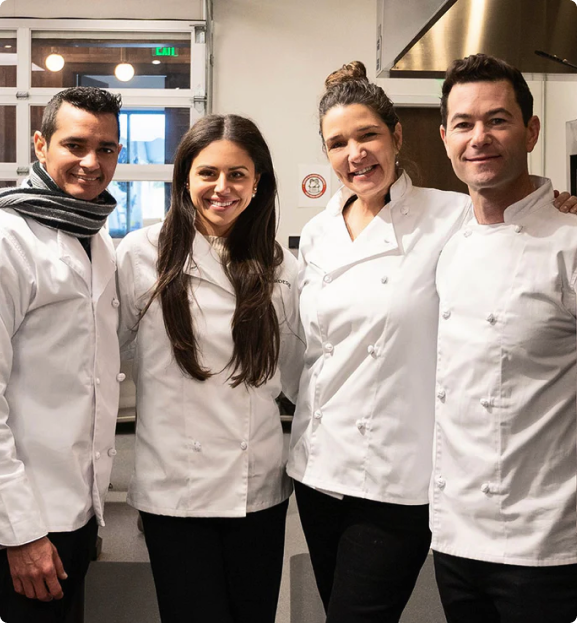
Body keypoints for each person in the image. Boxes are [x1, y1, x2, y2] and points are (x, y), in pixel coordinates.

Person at [286, 60, 577, 623]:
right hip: (320, 468)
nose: (356, 153)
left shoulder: (450, 216)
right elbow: (308, 348)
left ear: (399, 136)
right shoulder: (320, 230)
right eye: (337, 142)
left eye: (368, 135)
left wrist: (559, 202)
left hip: (403, 477)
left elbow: (517, 216)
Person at [116, 114, 303, 623]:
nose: (223, 188)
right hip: (176, 484)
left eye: (238, 174)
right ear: (185, 179)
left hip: (256, 487)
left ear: (258, 181)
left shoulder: (281, 265)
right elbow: (109, 354)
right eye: (208, 174)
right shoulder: (140, 254)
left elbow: (299, 368)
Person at [431, 53, 577, 623]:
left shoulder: (568, 242)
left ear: (531, 130)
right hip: (454, 535)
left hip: (548, 543)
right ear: (445, 138)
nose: (479, 138)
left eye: (498, 120)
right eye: (464, 124)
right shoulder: (449, 239)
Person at [0, 87, 123, 623]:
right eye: (76, 145)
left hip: (73, 514)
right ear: (41, 144)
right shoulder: (9, 237)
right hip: (24, 524)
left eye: (108, 149)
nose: (92, 163)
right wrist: (20, 531)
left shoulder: (95, 236)